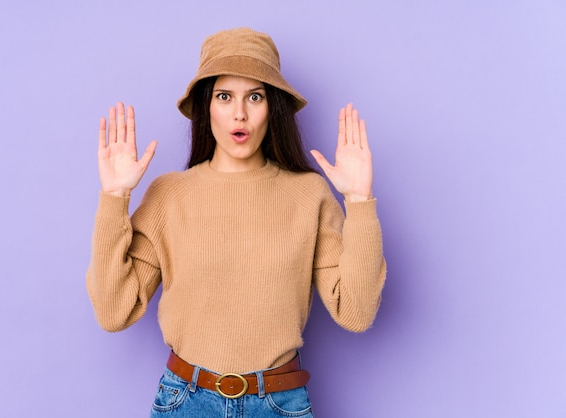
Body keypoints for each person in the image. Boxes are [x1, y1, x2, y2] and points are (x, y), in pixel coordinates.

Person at [87, 27, 386, 417]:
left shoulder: (308, 194)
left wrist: (359, 201)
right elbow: (114, 313)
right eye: (224, 96)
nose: (239, 113)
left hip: (279, 403)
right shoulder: (169, 195)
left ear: (271, 108)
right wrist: (114, 198)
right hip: (186, 401)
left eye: (255, 97)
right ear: (206, 106)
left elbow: (357, 313)